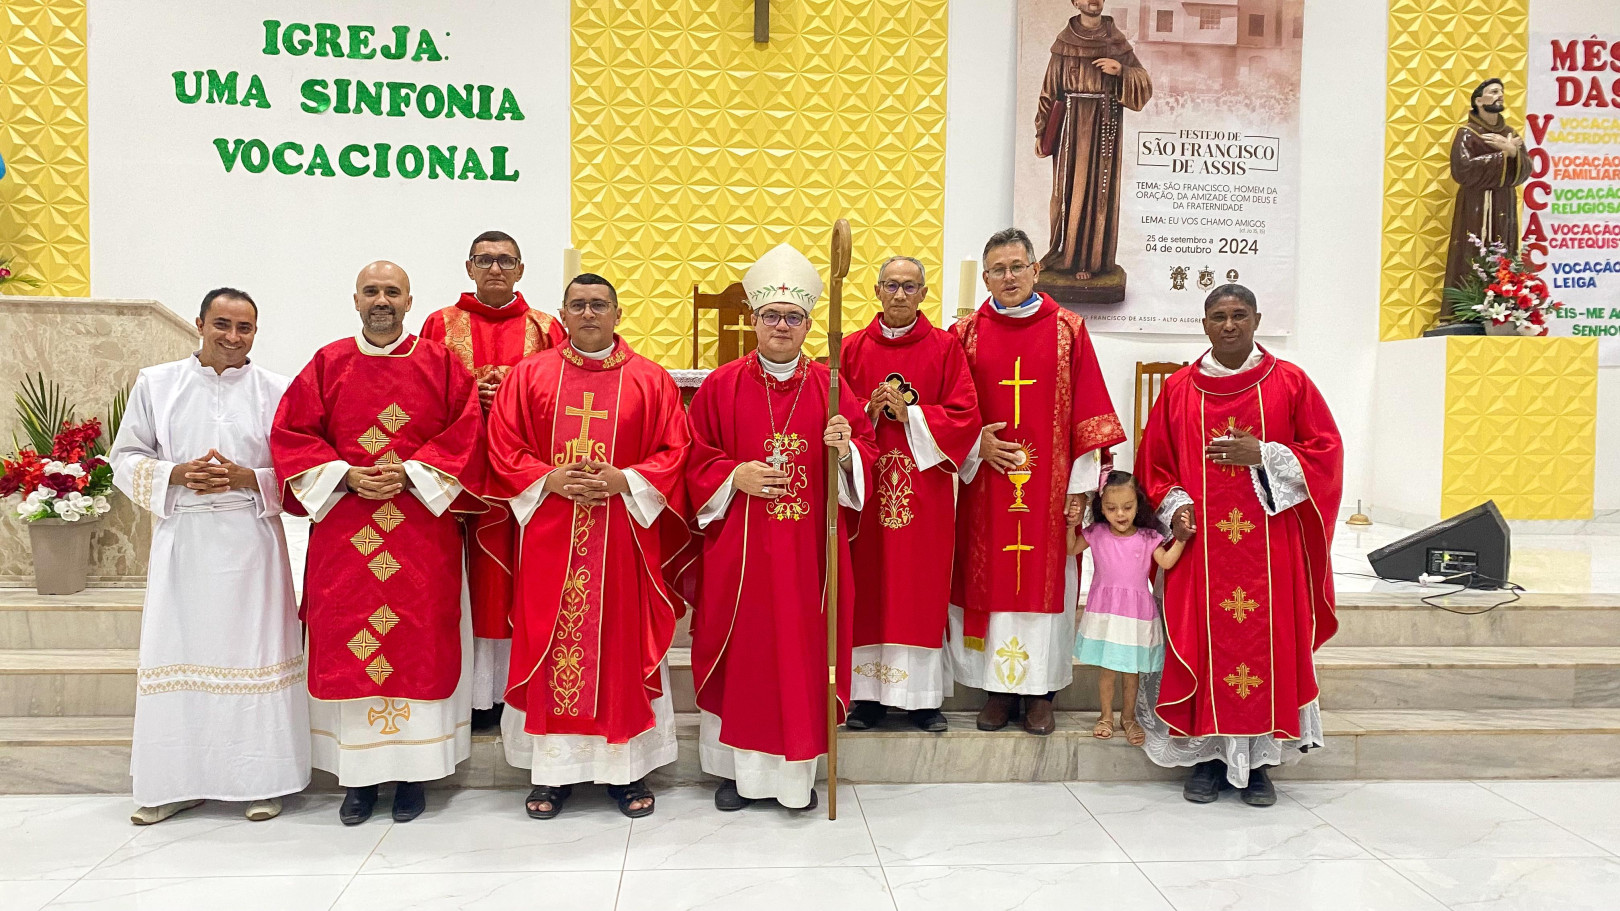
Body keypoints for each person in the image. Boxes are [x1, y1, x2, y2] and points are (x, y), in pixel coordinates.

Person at [272, 261, 486, 825]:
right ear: (356, 299)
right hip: (346, 529)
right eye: (372, 291)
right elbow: (292, 435)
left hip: (419, 529)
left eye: (392, 291)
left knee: (419, 639)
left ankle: (415, 773)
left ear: (410, 300)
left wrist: (411, 472)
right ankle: (359, 779)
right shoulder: (328, 363)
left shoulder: (439, 363)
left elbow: (467, 432)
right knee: (349, 639)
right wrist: (345, 474)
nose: (382, 300)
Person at [486, 273, 690, 819]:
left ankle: (625, 772)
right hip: (551, 535)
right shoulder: (531, 375)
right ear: (564, 313)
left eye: (599, 304)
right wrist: (547, 479)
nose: (589, 313)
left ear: (618, 313)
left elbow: (676, 450)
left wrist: (627, 480)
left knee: (621, 643)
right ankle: (551, 774)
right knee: (548, 644)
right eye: (578, 305)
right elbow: (502, 446)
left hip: (622, 535)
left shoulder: (651, 381)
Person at [682, 242, 877, 811]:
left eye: (793, 318)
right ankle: (735, 774)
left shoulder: (831, 387)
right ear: (754, 319)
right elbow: (692, 457)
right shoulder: (721, 385)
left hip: (809, 553)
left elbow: (865, 451)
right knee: (744, 654)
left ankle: (797, 775)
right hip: (740, 551)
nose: (782, 326)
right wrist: (732, 474)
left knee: (800, 656)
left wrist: (846, 454)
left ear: (809, 324)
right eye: (772, 316)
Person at [1134, 283, 1343, 807]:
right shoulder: (1180, 388)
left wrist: (1266, 455)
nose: (1229, 325)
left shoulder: (1289, 383)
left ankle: (1261, 764)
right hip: (1201, 546)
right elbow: (1154, 465)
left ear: (1255, 320)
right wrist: (1175, 503)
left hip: (1270, 549)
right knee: (1201, 642)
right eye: (1219, 316)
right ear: (1204, 324)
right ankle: (1206, 758)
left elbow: (1326, 454)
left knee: (1265, 646)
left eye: (1239, 315)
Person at [109, 287, 308, 825]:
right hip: (186, 542)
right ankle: (174, 783)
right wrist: (175, 472)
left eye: (244, 328)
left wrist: (249, 477)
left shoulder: (276, 390)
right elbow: (123, 458)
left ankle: (262, 781)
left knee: (253, 655)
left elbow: (298, 470)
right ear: (200, 324)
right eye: (222, 324)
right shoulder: (158, 383)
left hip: (252, 541)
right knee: (180, 654)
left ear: (255, 333)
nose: (232, 337)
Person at [947, 227, 1126, 737]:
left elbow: (1090, 417)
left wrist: (1081, 489)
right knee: (989, 580)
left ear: (1035, 270)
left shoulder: (1069, 328)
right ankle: (995, 691)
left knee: (1046, 586)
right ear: (985, 278)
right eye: (998, 269)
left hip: (1051, 491)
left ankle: (1041, 694)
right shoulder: (964, 335)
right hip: (984, 486)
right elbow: (949, 411)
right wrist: (974, 443)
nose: (1008, 277)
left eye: (1017, 266)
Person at [420, 230, 567, 730]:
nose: (496, 269)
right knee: (468, 582)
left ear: (521, 269)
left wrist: (510, 398)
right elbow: (420, 393)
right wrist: (469, 393)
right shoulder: (439, 324)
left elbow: (568, 395)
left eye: (506, 261)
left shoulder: (548, 327)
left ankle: (512, 688)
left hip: (525, 478)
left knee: (517, 580)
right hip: (460, 476)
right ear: (469, 267)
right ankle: (471, 692)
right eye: (485, 260)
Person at [839, 256, 979, 732]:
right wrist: (868, 410)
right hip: (867, 492)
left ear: (924, 293)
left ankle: (921, 700)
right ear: (877, 290)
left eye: (910, 286)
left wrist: (913, 417)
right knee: (869, 587)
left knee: (918, 587)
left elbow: (965, 416)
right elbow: (835, 415)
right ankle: (867, 700)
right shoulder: (852, 348)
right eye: (891, 286)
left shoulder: (944, 348)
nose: (900, 294)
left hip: (925, 494)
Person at [1034, 0, 1152, 297]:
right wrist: (1041, 130)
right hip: (1070, 126)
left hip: (1105, 122)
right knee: (1068, 191)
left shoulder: (1116, 41)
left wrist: (1121, 70)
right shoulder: (1064, 42)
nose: (1093, 0)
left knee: (1098, 191)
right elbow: (1049, 89)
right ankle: (1064, 255)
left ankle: (1091, 260)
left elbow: (1144, 83)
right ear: (1075, 1)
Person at [1067, 470, 1184, 745]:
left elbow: (1166, 562)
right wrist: (1068, 524)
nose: (1120, 514)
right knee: (1107, 669)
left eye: (1127, 507)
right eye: (1111, 508)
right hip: (1105, 612)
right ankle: (1105, 715)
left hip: (1135, 615)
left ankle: (1128, 717)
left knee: (1132, 671)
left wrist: (1181, 538)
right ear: (1101, 507)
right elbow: (1071, 549)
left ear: (1138, 504)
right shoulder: (1096, 533)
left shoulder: (1147, 537)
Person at [1443, 77, 1531, 317]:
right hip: (1476, 205)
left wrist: (1513, 152)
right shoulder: (1467, 133)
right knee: (1472, 250)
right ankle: (1467, 309)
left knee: (1504, 253)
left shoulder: (1510, 134)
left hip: (1504, 202)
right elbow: (1462, 169)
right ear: (1478, 100)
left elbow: (1526, 170)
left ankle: (1503, 308)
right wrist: (1502, 155)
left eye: (1501, 91)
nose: (1499, 95)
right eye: (1493, 92)